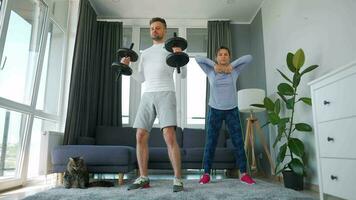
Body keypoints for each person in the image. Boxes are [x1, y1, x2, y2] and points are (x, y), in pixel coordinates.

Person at [121, 17, 186, 192]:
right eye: (152, 28)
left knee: (169, 136)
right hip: (147, 94)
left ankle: (178, 179)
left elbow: (183, 75)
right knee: (140, 135)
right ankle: (143, 178)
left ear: (164, 30)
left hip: (166, 93)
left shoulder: (171, 50)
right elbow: (141, 78)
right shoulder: (145, 53)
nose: (154, 30)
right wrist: (128, 67)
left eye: (158, 28)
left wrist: (178, 55)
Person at [195, 46, 256, 185]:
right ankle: (206, 174)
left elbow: (249, 58)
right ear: (216, 57)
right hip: (214, 110)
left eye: (226, 55)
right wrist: (215, 66)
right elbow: (198, 59)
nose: (223, 56)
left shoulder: (234, 71)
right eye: (220, 55)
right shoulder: (210, 71)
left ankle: (244, 173)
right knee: (210, 142)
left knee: (238, 142)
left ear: (229, 57)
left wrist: (230, 66)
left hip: (232, 110)